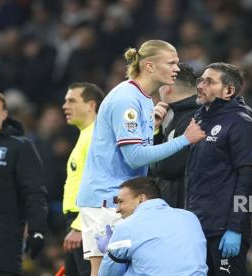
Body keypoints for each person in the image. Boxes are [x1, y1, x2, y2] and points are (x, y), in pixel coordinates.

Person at [76, 40, 206, 275]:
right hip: (107, 199)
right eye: (171, 62)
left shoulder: (144, 99)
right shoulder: (127, 100)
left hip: (122, 196)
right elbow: (135, 157)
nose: (177, 68)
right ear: (149, 66)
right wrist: (184, 139)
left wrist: (152, 130)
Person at [185, 62, 252, 275]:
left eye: (209, 81)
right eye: (201, 80)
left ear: (228, 90)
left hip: (224, 230)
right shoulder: (200, 119)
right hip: (197, 227)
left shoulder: (241, 124)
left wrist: (235, 228)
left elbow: (250, 177)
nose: (201, 85)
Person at [0, 87, 48, 276]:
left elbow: (34, 193)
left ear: (4, 114)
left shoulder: (20, 147)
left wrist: (36, 230)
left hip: (0, 253)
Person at [97, 177, 208, 275]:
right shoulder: (190, 217)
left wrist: (109, 250)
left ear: (142, 198)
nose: (117, 209)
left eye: (121, 201)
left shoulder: (126, 226)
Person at [62, 83, 105, 276]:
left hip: (87, 221)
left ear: (91, 105)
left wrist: (80, 226)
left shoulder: (96, 136)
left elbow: (100, 181)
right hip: (79, 220)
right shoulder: (86, 135)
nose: (65, 106)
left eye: (71, 100)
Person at [150, 62, 199, 208]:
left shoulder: (192, 118)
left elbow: (166, 168)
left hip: (184, 206)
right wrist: (155, 131)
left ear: (167, 88)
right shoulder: (178, 115)